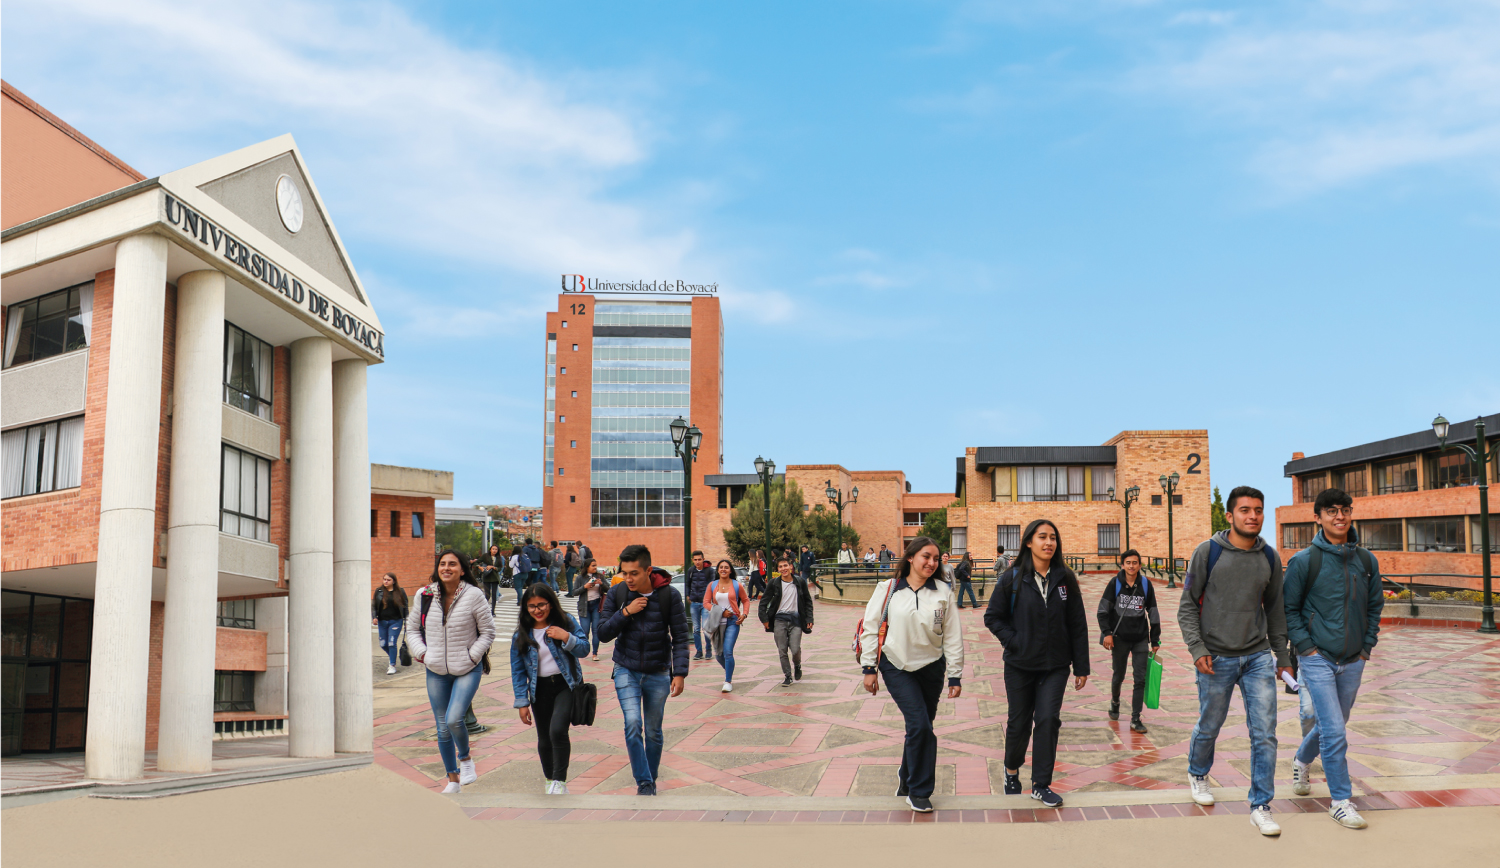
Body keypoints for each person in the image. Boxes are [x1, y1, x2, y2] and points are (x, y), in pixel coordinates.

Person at [1178, 485, 1293, 837]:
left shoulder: (1270, 558)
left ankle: (1260, 805)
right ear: (1230, 516)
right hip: (1216, 657)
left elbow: (1275, 612)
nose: (1253, 516)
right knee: (1209, 725)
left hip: (1257, 656)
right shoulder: (1207, 553)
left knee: (1265, 734)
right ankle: (1198, 772)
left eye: (1258, 510)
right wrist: (1197, 650)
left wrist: (1283, 658)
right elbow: (1186, 606)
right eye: (1245, 510)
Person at [1284, 487, 1384, 830]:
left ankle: (1300, 759)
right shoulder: (1304, 561)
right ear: (1318, 517)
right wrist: (1306, 647)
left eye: (1344, 510)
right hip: (1317, 658)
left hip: (1353, 659)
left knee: (1333, 724)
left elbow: (1374, 607)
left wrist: (1365, 648)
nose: (1339, 516)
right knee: (1335, 731)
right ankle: (1341, 800)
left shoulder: (1367, 561)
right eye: (1331, 511)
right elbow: (1289, 610)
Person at [983, 519, 1089, 809]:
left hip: (1055, 666)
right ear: (1029, 541)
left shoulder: (1065, 578)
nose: (1049, 543)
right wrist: (1015, 641)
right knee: (1019, 724)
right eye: (1042, 537)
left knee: (1047, 720)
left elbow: (1077, 624)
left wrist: (1081, 666)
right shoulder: (1012, 578)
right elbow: (992, 617)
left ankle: (1041, 785)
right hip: (1019, 665)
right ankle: (1012, 770)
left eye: (1053, 537)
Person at [859, 536, 963, 813]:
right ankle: (919, 791)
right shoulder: (888, 588)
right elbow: (870, 628)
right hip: (896, 664)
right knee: (920, 726)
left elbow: (952, 635)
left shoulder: (943, 591)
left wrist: (955, 674)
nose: (931, 562)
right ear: (911, 558)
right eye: (925, 557)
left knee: (921, 726)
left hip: (932, 667)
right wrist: (869, 668)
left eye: (935, 558)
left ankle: (906, 778)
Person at [597, 544, 689, 796]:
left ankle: (651, 775)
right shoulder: (617, 593)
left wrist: (679, 672)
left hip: (658, 670)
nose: (629, 578)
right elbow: (603, 634)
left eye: (634, 573)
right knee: (633, 723)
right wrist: (625, 612)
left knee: (654, 731)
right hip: (626, 667)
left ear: (648, 570)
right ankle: (644, 783)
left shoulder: (669, 596)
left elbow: (681, 636)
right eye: (624, 573)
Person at [406, 549, 495, 793]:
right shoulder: (424, 595)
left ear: (462, 569)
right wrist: (423, 654)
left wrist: (472, 656)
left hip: (467, 667)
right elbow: (412, 629)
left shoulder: (474, 595)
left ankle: (465, 759)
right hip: (435, 669)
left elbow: (488, 632)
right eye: (442, 564)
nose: (446, 568)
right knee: (442, 726)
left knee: (455, 718)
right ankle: (452, 779)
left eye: (452, 564)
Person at [511, 582, 590, 795]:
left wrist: (566, 637)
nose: (537, 610)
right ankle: (549, 779)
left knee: (557, 730)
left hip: (566, 685)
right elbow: (518, 671)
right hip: (539, 690)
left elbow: (584, 649)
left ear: (551, 604)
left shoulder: (566, 622)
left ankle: (559, 781)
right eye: (532, 606)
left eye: (542, 605)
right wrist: (522, 702)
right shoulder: (521, 634)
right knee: (544, 737)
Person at [1096, 549, 1160, 734]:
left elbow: (1153, 613)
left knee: (1140, 679)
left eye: (1135, 562)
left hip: (1140, 639)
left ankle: (1135, 717)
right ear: (1122, 564)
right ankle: (1115, 701)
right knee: (1119, 675)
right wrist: (1107, 633)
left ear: (1140, 565)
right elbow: (1102, 611)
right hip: (1120, 639)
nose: (1131, 566)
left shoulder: (1146, 585)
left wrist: (1155, 639)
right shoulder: (1115, 584)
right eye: (1128, 563)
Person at [758, 557, 815, 686]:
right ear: (778, 569)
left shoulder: (800, 582)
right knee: (782, 650)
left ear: (790, 566)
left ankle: (798, 665)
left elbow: (807, 601)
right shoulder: (774, 583)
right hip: (779, 620)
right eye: (780, 567)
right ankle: (787, 676)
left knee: (795, 649)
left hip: (796, 621)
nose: (783, 568)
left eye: (785, 565)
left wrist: (809, 618)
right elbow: (763, 602)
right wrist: (764, 619)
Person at [703, 559, 749, 692]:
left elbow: (745, 600)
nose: (723, 569)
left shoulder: (736, 585)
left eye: (726, 567)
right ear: (717, 570)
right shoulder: (712, 585)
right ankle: (730, 669)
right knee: (718, 654)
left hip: (733, 622)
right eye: (721, 567)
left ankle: (727, 681)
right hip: (717, 623)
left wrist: (744, 614)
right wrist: (721, 611)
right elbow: (706, 603)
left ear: (730, 570)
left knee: (728, 651)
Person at [371, 573, 409, 674]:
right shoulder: (379, 591)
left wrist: (407, 620)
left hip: (396, 621)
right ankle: (393, 655)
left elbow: (405, 605)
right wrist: (374, 617)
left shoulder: (400, 592)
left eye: (388, 580)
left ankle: (392, 665)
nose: (386, 581)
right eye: (384, 579)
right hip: (382, 622)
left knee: (392, 643)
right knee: (383, 644)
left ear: (394, 581)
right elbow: (374, 606)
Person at [684, 550, 715, 661]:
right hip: (694, 603)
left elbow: (712, 584)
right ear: (693, 560)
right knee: (696, 629)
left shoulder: (709, 571)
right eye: (695, 560)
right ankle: (699, 652)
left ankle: (709, 650)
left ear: (703, 559)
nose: (697, 562)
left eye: (699, 559)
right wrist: (688, 595)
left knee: (706, 628)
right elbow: (687, 583)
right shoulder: (691, 571)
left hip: (705, 603)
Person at [575, 558, 606, 661]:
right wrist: (585, 586)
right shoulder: (580, 578)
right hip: (584, 607)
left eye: (596, 565)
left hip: (596, 605)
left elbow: (609, 589)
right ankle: (583, 651)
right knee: (584, 630)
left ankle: (595, 653)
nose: (595, 567)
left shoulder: (600, 576)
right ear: (587, 567)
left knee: (596, 630)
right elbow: (574, 592)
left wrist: (601, 584)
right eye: (593, 565)